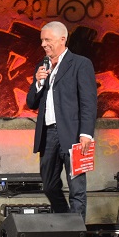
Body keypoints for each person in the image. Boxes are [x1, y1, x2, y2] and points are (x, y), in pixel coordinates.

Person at [26, 21, 97, 221]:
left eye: (47, 40)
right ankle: (67, 222)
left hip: (73, 134)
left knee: (77, 188)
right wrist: (38, 82)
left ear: (62, 39)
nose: (43, 44)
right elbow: (31, 102)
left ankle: (76, 232)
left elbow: (88, 101)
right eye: (42, 40)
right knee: (49, 185)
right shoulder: (42, 66)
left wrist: (86, 133)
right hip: (48, 135)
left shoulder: (81, 64)